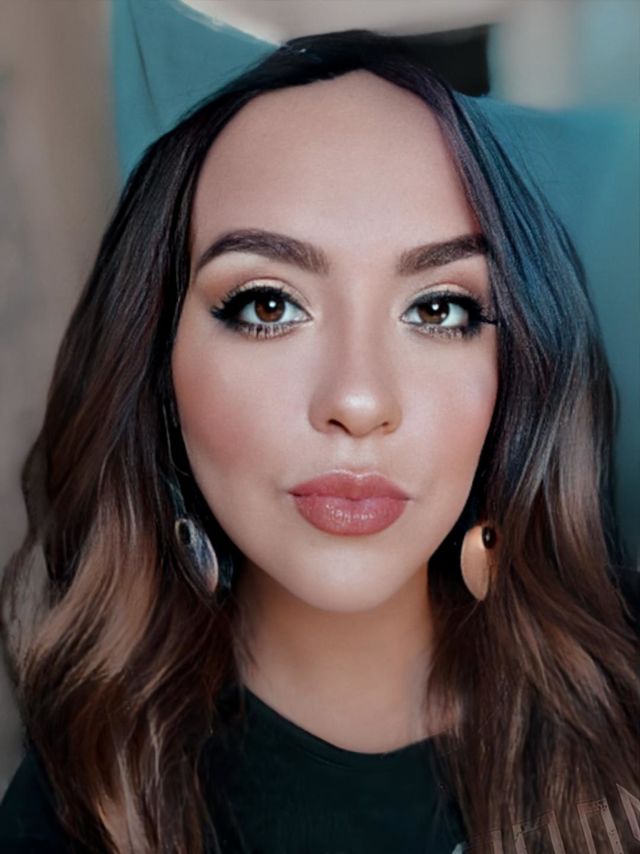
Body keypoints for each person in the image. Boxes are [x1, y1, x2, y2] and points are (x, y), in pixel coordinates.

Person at [0, 29, 638, 854]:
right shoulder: (81, 806)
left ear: (522, 367)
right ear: (158, 366)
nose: (358, 401)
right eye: (268, 305)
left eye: (438, 308)